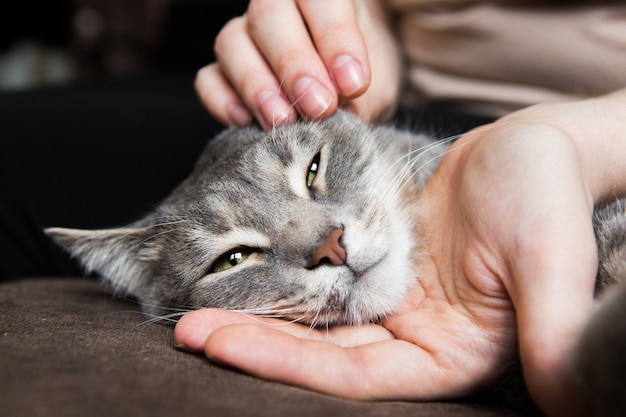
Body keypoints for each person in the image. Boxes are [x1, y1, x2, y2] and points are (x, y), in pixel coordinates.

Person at [175, 1, 626, 416]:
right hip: (401, 109)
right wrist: (354, 31)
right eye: (235, 257)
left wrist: (579, 140)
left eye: (312, 170)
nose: (323, 244)